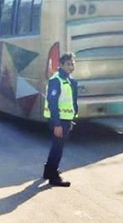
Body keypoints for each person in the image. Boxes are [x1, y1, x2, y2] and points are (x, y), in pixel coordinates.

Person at [42, 53, 78, 187]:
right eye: (68, 64)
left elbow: (71, 102)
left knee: (57, 147)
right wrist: (56, 124)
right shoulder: (56, 80)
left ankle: (48, 171)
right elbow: (52, 102)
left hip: (66, 119)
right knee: (58, 148)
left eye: (73, 64)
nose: (71, 66)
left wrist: (72, 119)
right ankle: (53, 176)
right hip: (59, 120)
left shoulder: (69, 80)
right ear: (61, 65)